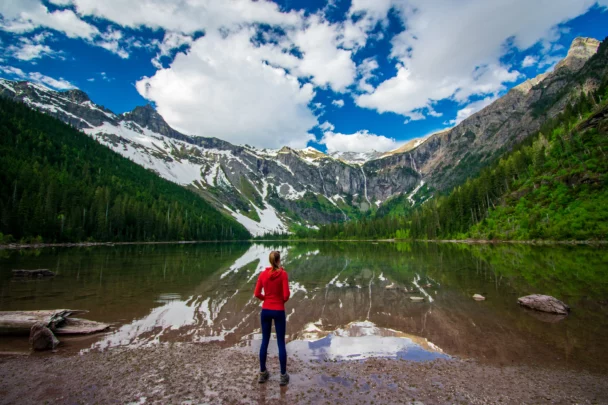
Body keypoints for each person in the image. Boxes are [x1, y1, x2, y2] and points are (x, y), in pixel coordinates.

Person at [254, 250, 291, 386]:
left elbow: (257, 293)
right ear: (278, 260)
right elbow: (286, 295)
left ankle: (263, 373)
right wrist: (279, 302)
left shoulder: (263, 274)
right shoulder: (283, 275)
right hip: (278, 310)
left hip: (266, 310)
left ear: (270, 261)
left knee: (265, 341)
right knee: (281, 342)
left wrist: (266, 300)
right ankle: (283, 376)